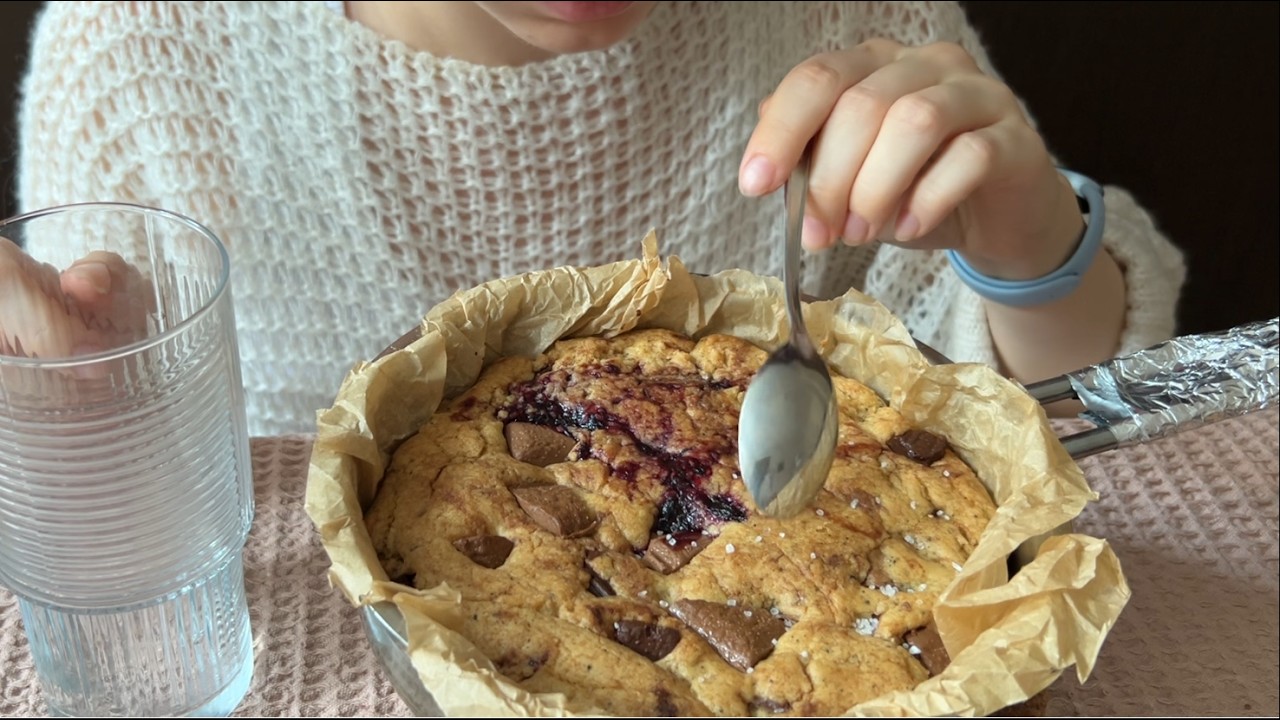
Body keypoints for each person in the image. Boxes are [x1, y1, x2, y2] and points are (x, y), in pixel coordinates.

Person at [1, 1, 1185, 437]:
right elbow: (94, 457)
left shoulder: (840, 18)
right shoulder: (142, 48)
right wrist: (69, 393)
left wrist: (1026, 243)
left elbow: (1047, 413)